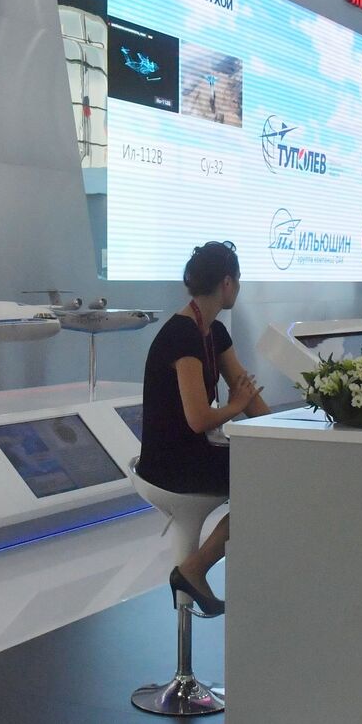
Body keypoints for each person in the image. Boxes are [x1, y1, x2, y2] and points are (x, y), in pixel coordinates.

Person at [136, 241, 271, 616]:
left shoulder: (215, 333)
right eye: (238, 280)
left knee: (270, 470)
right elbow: (197, 417)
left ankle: (197, 570)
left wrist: (283, 431)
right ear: (227, 283)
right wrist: (236, 407)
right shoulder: (183, 335)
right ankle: (193, 569)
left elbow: (247, 393)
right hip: (171, 461)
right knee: (262, 484)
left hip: (194, 449)